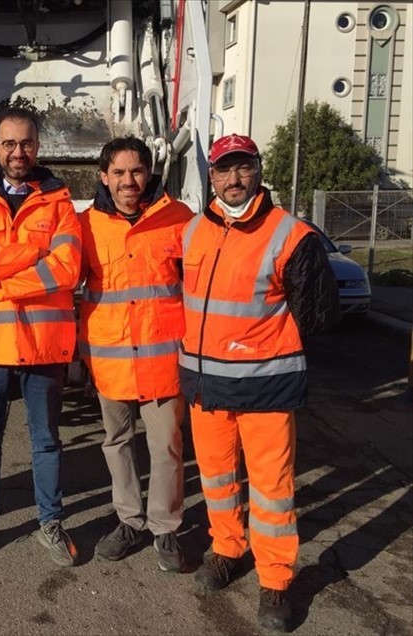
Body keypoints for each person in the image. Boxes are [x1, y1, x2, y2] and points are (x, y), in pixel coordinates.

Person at [180, 134, 340, 632]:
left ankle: (275, 579)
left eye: (243, 167)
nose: (234, 178)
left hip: (266, 388)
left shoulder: (291, 235)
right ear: (212, 174)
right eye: (224, 169)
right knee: (217, 479)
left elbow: (318, 313)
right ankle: (227, 548)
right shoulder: (192, 232)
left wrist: (262, 344)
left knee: (272, 490)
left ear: (258, 169)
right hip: (207, 388)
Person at [0, 107, 82, 567]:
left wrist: (7, 278)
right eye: (8, 144)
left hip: (44, 346)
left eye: (25, 143)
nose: (17, 152)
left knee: (46, 440)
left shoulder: (61, 204)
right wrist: (32, 252)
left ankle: (50, 521)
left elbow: (68, 268)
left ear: (37, 147)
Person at [78, 137, 193, 571]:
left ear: (149, 173)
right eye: (120, 173)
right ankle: (129, 520)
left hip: (163, 361)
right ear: (104, 177)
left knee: (166, 446)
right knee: (117, 443)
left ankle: (165, 528)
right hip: (111, 362)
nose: (129, 181)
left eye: (137, 171)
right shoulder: (85, 226)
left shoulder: (178, 219)